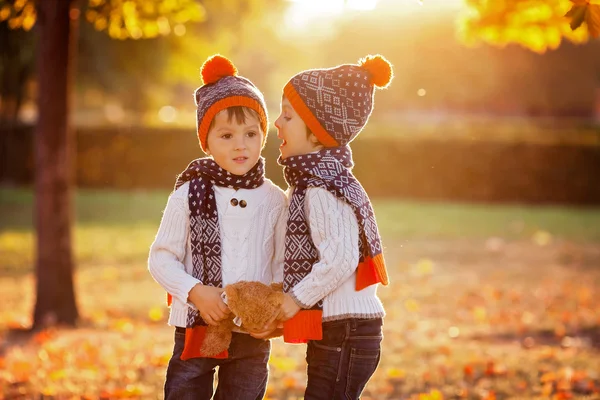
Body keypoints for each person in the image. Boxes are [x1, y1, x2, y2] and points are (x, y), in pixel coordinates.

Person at [148, 54, 286, 400]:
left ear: (262, 136)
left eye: (251, 133)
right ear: (206, 142)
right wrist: (196, 292)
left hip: (250, 334)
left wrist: (274, 313)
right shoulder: (188, 194)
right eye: (226, 135)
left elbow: (284, 264)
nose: (241, 144)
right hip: (196, 326)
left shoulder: (275, 200)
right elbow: (161, 259)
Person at [255, 54, 393, 400]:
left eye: (288, 115)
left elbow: (340, 259)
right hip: (337, 329)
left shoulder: (320, 189)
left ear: (317, 133)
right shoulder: (311, 183)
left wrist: (294, 300)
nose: (277, 123)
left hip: (346, 331)